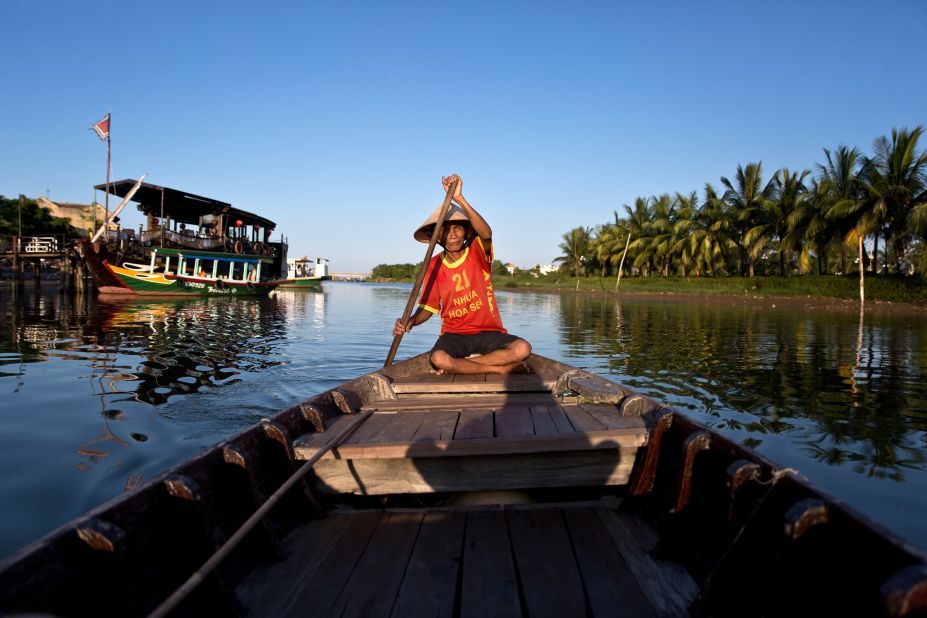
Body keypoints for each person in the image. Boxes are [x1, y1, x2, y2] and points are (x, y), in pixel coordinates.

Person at [393, 174, 531, 375]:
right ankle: (498, 370)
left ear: (466, 232)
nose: (453, 235)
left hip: (488, 332)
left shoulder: (476, 252)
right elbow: (429, 308)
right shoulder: (433, 264)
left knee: (522, 348)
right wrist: (411, 321)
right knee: (438, 358)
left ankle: (463, 365)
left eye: (457, 228)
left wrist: (460, 198)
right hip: (454, 334)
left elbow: (486, 234)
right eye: (446, 230)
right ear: (437, 237)